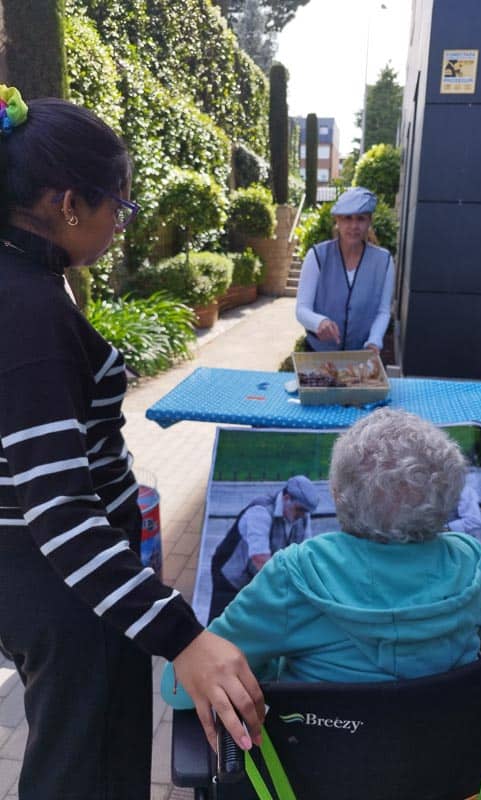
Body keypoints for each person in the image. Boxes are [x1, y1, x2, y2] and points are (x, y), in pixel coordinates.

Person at [0, 87, 263, 800]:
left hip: (51, 579)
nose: (122, 223)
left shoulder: (26, 284)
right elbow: (60, 514)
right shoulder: (28, 312)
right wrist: (183, 639)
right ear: (66, 203)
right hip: (63, 588)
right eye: (120, 204)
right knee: (82, 773)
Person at [205, 409, 481, 683]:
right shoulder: (467, 563)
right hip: (450, 746)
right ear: (450, 501)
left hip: (316, 748)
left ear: (336, 493)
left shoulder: (294, 575)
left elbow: (179, 687)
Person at [295, 186, 394, 354]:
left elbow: (383, 311)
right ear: (338, 221)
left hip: (361, 356)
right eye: (348, 218)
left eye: (361, 219)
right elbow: (302, 309)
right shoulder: (317, 256)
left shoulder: (384, 261)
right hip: (319, 354)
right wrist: (319, 322)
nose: (354, 225)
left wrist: (374, 341)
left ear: (369, 221)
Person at [209, 475, 319, 620]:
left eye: (306, 511)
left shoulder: (302, 517)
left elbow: (304, 554)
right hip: (231, 578)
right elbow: (260, 559)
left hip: (256, 580)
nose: (302, 515)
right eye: (300, 509)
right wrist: (285, 590)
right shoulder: (260, 511)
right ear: (286, 498)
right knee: (221, 627)